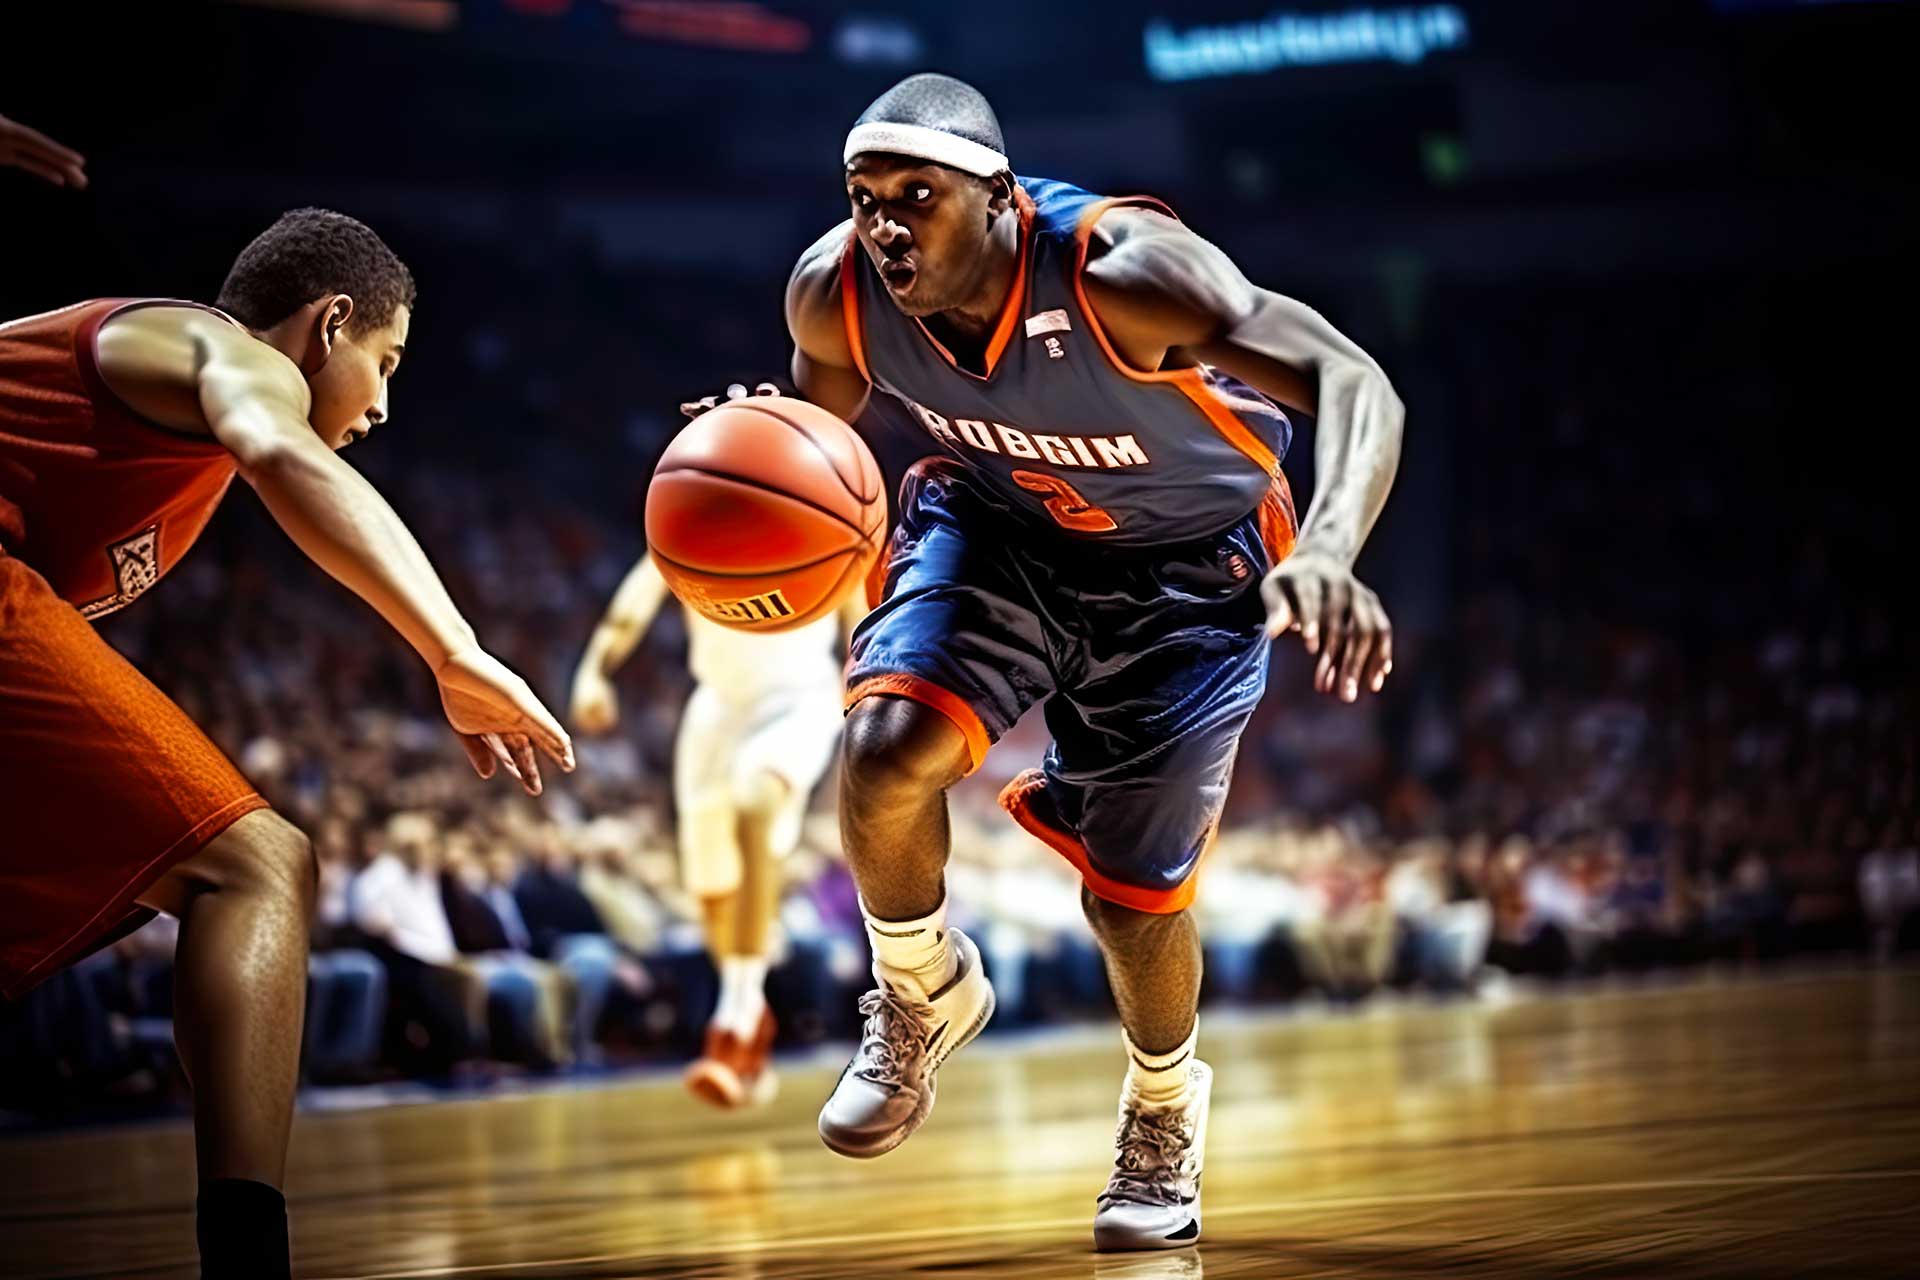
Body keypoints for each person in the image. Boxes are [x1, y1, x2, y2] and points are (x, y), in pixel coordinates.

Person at [693, 73, 1403, 1250]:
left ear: (1001, 199)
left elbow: (1355, 379)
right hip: (1001, 526)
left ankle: (1165, 1104)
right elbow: (820, 456)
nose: (884, 222)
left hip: (1194, 569)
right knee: (881, 750)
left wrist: (1330, 548)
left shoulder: (1128, 271)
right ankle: (919, 985)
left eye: (916, 194)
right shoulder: (836, 293)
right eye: (865, 195)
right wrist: (759, 444)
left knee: (1131, 902)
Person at [0, 208, 573, 1279]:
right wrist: (453, 649)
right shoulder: (219, 350)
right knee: (258, 866)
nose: (387, 401)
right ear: (330, 322)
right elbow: (279, 450)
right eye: (386, 361)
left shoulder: (149, 404)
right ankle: (249, 1256)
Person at [572, 551, 863, 1106]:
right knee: (711, 899)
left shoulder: (827, 494)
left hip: (799, 701)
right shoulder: (697, 502)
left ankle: (734, 1018)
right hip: (715, 710)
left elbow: (863, 622)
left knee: (755, 803)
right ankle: (753, 1017)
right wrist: (595, 668)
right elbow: (638, 596)